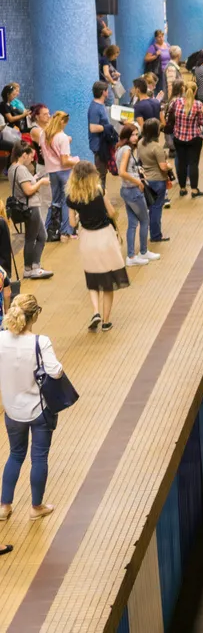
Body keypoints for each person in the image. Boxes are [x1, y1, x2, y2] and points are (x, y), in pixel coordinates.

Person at [0, 293, 61, 522]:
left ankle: (4, 506)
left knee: (15, 455)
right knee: (39, 458)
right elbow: (55, 371)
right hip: (39, 410)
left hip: (13, 411)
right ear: (34, 316)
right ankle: (36, 507)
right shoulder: (40, 342)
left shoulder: (1, 339)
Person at [66, 162, 128, 330]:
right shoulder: (99, 191)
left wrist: (80, 218)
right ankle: (106, 322)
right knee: (108, 281)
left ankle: (95, 311)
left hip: (87, 239)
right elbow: (112, 213)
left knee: (92, 279)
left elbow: (72, 222)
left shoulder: (71, 197)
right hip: (105, 237)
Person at [116, 123, 156, 266]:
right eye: (132, 134)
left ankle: (131, 256)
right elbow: (122, 172)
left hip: (126, 190)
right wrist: (138, 182)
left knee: (133, 223)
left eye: (136, 134)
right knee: (144, 220)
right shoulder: (126, 150)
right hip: (133, 190)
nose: (135, 137)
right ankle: (143, 251)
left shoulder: (121, 149)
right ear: (126, 136)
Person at [8, 144, 51, 279]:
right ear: (23, 154)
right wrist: (41, 182)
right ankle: (31, 267)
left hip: (25, 207)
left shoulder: (12, 168)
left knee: (36, 236)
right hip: (31, 206)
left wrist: (35, 180)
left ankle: (33, 267)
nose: (32, 159)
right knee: (35, 237)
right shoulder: (21, 169)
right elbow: (28, 190)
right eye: (30, 155)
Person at [40, 111, 78, 241]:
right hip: (64, 171)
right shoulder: (62, 137)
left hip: (51, 171)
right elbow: (65, 161)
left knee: (55, 201)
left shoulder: (43, 135)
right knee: (67, 201)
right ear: (63, 122)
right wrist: (76, 160)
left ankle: (48, 229)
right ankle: (65, 231)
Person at [170, 80, 203, 199]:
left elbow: (171, 116)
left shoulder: (177, 102)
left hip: (178, 137)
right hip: (194, 138)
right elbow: (202, 121)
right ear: (195, 91)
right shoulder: (198, 105)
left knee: (181, 162)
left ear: (184, 90)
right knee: (193, 163)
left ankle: (182, 188)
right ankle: (194, 189)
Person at [136, 118, 170, 243]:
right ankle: (156, 235)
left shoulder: (140, 143)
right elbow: (163, 167)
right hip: (158, 180)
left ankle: (149, 231)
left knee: (149, 207)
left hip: (146, 180)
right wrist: (169, 166)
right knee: (156, 208)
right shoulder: (157, 147)